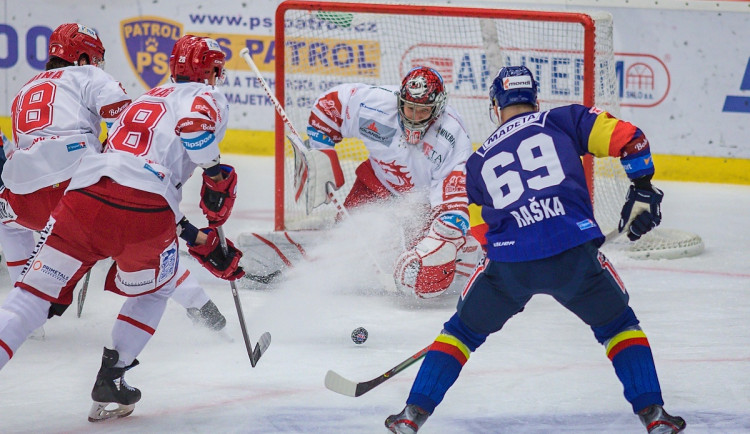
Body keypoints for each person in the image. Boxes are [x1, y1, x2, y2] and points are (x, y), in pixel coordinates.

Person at [385, 66, 686, 434]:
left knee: (460, 333)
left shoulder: (478, 162)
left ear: (495, 105)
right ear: (535, 100)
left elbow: (484, 227)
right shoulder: (562, 120)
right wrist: (642, 185)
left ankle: (410, 416)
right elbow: (631, 138)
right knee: (619, 326)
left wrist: (490, 258)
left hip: (510, 266)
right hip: (573, 252)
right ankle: (654, 417)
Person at [0, 33, 245, 422]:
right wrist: (216, 177)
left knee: (29, 297)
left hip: (82, 196)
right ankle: (113, 377)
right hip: (145, 213)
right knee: (156, 289)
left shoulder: (146, 98)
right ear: (212, 70)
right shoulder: (208, 96)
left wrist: (196, 236)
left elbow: (125, 171)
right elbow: (193, 133)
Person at [0, 23, 227, 333]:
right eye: (93, 58)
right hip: (78, 186)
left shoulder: (24, 89)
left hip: (23, 195)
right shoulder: (90, 76)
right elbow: (124, 125)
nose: (95, 65)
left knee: (8, 227)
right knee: (142, 233)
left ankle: (25, 310)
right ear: (81, 59)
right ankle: (200, 305)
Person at [300, 66, 480, 299]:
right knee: (345, 244)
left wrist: (442, 243)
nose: (414, 117)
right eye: (410, 108)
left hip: (421, 209)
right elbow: (331, 104)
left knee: (423, 276)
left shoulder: (453, 135)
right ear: (399, 101)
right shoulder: (375, 104)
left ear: (437, 110)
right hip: (376, 185)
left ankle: (467, 252)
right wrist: (322, 150)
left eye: (423, 111)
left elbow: (452, 207)